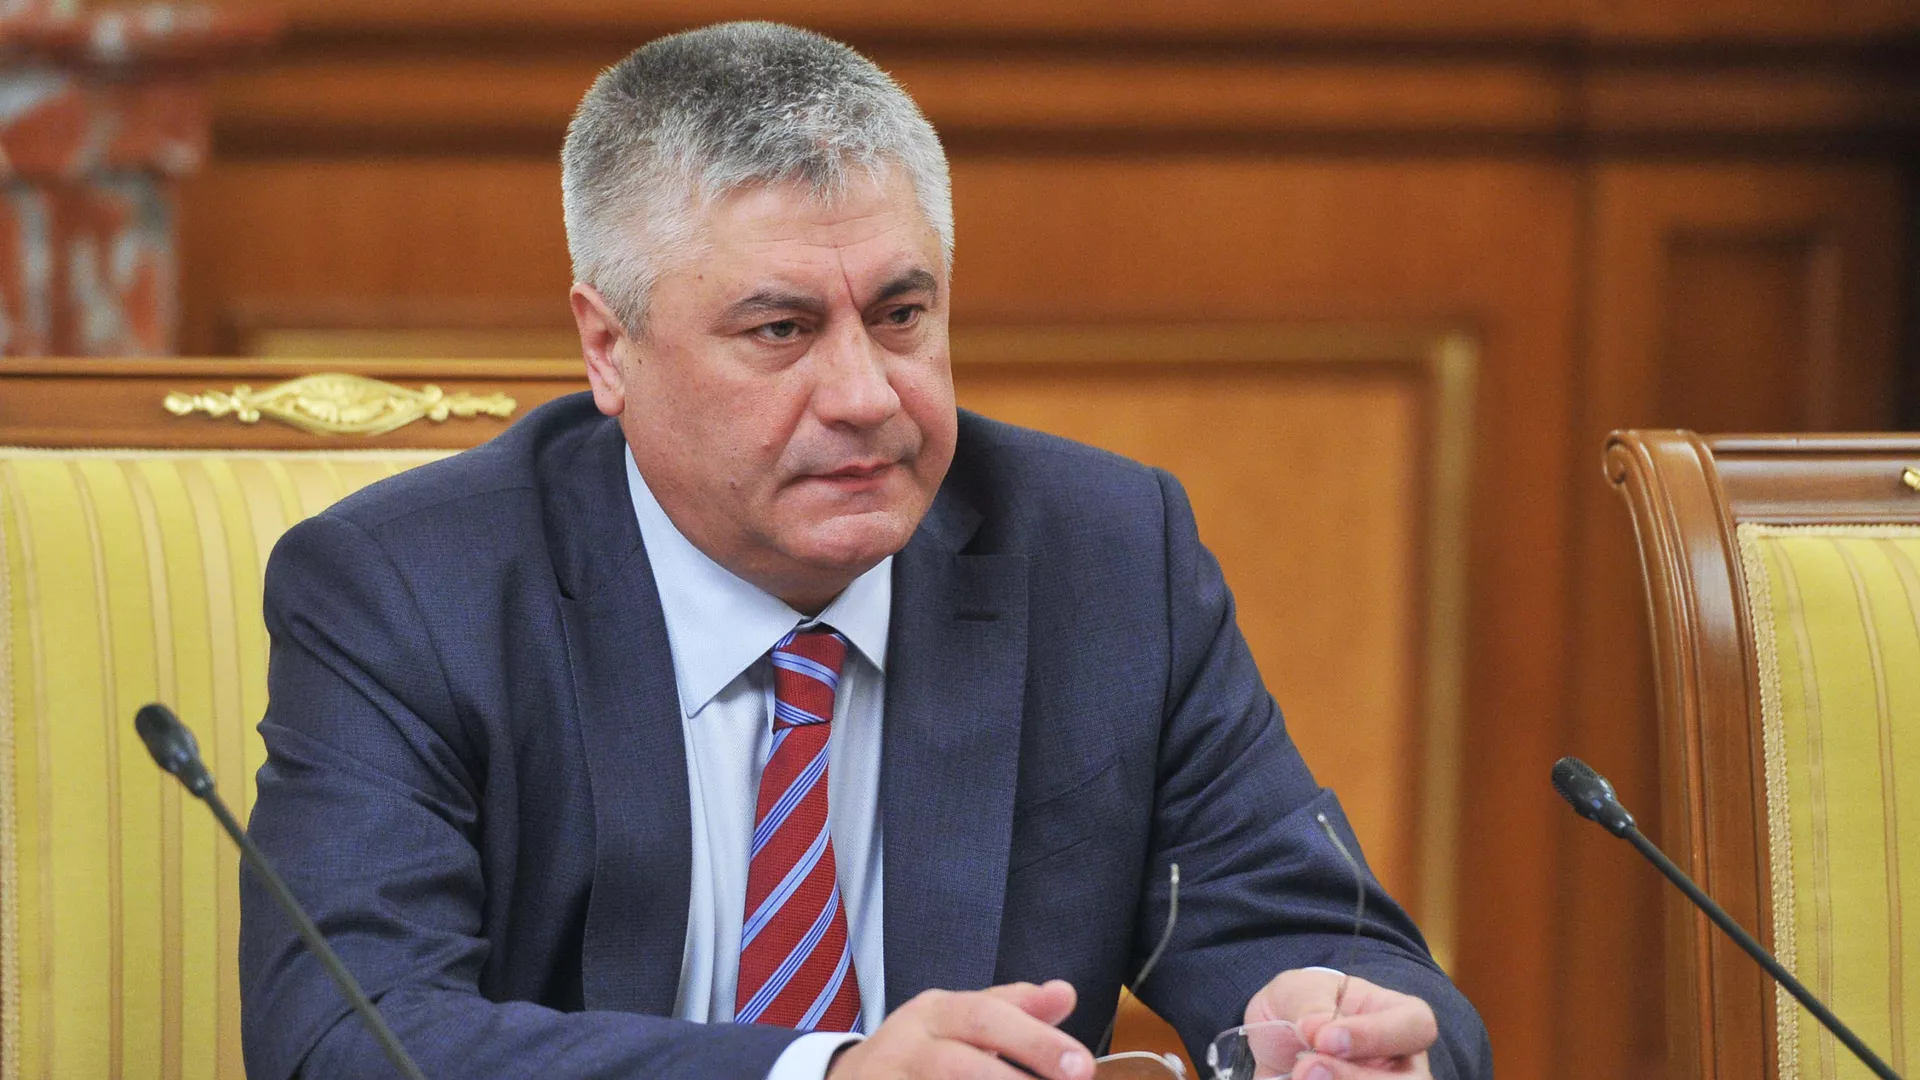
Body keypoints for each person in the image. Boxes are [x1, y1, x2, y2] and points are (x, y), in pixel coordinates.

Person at [239, 21, 1492, 1080]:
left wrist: (1338, 1028)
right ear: (610, 348)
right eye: (780, 330)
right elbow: (346, 1036)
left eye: (901, 315)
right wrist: (821, 1074)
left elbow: (1321, 937)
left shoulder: (1106, 557)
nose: (865, 396)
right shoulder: (409, 592)